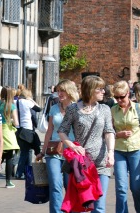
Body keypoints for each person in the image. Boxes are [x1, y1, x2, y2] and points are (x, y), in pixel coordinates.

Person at [58, 75, 115, 213]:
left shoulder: (105, 109)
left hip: (101, 163)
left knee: (99, 206)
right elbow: (62, 131)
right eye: (100, 89)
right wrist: (72, 146)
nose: (103, 92)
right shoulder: (73, 109)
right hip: (81, 165)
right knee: (80, 206)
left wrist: (111, 153)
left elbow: (109, 132)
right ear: (90, 90)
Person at [36, 79, 79, 213]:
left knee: (69, 185)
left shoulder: (78, 108)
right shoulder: (54, 108)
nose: (59, 93)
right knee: (55, 184)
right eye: (58, 90)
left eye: (62, 90)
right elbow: (49, 130)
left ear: (69, 91)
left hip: (71, 151)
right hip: (53, 151)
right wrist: (43, 151)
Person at [110, 80, 140, 213]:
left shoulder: (138, 108)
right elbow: (108, 131)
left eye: (122, 97)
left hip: (136, 150)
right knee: (121, 188)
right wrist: (118, 134)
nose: (119, 100)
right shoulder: (112, 110)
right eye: (116, 97)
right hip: (119, 151)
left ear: (128, 93)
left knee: (136, 187)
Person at [0, 86, 19, 188]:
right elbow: (16, 123)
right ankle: (8, 182)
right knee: (9, 158)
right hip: (8, 132)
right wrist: (10, 120)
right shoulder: (11, 106)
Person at [14, 88, 41, 179]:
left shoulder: (15, 102)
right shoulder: (27, 102)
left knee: (26, 151)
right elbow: (39, 109)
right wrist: (32, 100)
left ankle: (27, 172)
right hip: (27, 129)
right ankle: (19, 172)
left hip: (18, 129)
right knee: (25, 152)